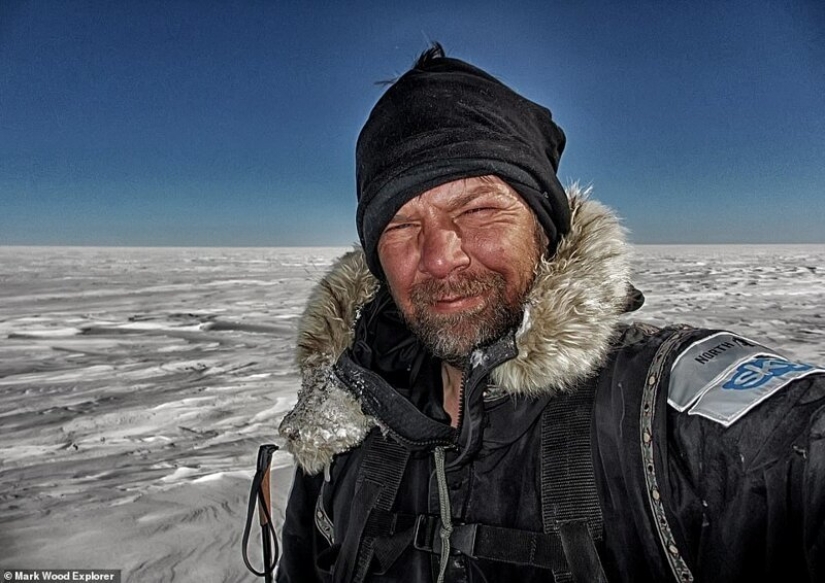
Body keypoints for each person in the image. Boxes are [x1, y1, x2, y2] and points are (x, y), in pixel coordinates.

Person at [275, 44, 825, 583]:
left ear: (546, 226)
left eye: (480, 209)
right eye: (400, 225)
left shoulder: (669, 415)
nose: (440, 256)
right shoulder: (347, 437)